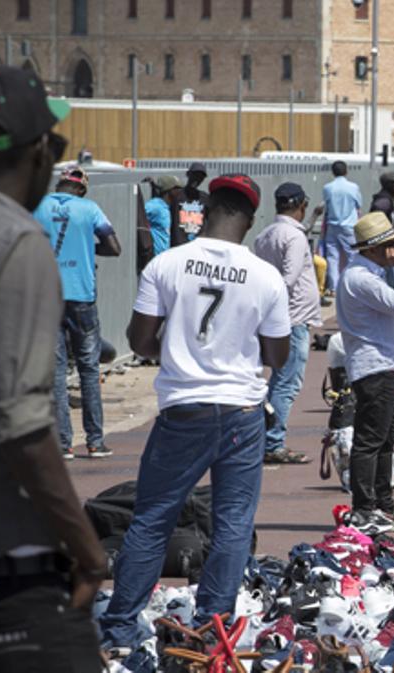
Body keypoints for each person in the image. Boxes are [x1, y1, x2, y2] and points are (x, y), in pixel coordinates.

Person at [99, 174, 291, 660]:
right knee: (232, 521)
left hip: (183, 409)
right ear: (249, 220)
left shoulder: (166, 265)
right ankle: (211, 627)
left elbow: (140, 342)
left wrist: (180, 346)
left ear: (204, 212)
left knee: (153, 517)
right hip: (242, 413)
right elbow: (278, 356)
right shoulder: (265, 275)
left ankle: (120, 627)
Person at [0, 65, 109, 670]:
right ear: (37, 151)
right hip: (7, 558)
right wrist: (87, 550)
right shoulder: (13, 237)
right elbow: (22, 426)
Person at [33, 163, 122, 459]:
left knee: (57, 371)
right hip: (82, 296)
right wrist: (88, 247)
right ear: (81, 188)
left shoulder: (37, 206)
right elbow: (114, 246)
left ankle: (63, 444)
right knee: (88, 367)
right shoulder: (90, 208)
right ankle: (95, 442)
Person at [336, 212, 394, 528]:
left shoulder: (366, 273)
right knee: (371, 439)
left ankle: (382, 501)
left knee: (384, 437)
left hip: (383, 365)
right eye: (390, 245)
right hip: (376, 367)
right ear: (372, 249)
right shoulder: (362, 278)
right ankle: (365, 506)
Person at [254, 182, 323, 465]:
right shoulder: (293, 238)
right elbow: (289, 278)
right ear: (301, 205)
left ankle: (263, 438)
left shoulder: (265, 235)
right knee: (286, 384)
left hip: (274, 318)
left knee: (276, 383)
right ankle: (272, 443)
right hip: (292, 319)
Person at [322, 160, 362, 292]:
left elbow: (326, 207)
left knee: (332, 257)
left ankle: (334, 287)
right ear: (346, 171)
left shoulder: (327, 188)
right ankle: (352, 284)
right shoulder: (353, 187)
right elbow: (358, 206)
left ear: (333, 172)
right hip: (349, 226)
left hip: (332, 225)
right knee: (353, 256)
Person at [145, 174, 182, 257]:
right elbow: (137, 213)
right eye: (177, 188)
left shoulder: (169, 207)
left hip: (164, 257)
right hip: (155, 258)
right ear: (169, 190)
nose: (180, 191)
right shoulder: (155, 205)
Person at [172, 161, 208, 246]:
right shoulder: (177, 196)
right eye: (195, 175)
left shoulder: (205, 198)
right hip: (179, 245)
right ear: (188, 174)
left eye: (201, 177)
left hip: (198, 245)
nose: (197, 178)